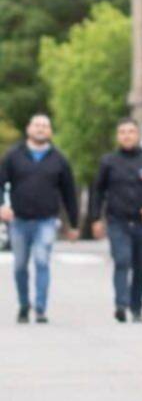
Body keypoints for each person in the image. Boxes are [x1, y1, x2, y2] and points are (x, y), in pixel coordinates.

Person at [0, 114, 79, 324]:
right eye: (37, 125)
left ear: (50, 131)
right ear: (28, 129)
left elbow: (69, 193)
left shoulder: (59, 159)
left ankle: (41, 308)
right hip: (19, 220)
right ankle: (24, 304)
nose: (41, 129)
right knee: (20, 265)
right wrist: (2, 205)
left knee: (42, 261)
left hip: (46, 220)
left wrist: (73, 224)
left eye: (45, 126)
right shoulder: (13, 156)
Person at [89, 117, 142, 323]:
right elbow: (98, 191)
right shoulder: (109, 162)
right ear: (118, 136)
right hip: (118, 221)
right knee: (122, 260)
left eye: (131, 132)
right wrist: (96, 218)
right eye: (122, 132)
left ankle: (136, 308)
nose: (127, 136)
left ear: (138, 135)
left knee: (140, 268)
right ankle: (121, 305)